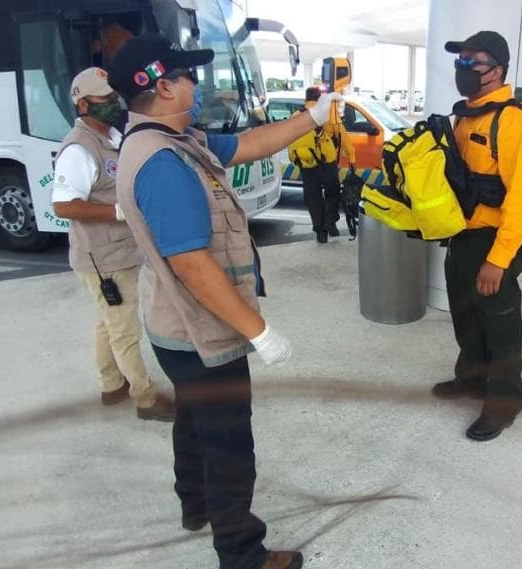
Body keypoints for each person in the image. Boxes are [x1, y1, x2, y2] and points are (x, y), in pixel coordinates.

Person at [107, 35, 339, 569]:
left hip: (175, 328)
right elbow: (191, 264)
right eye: (187, 75)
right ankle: (242, 554)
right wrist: (257, 330)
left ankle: (195, 504)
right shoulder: (164, 162)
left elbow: (249, 145)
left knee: (194, 418)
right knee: (229, 443)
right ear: (163, 86)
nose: (196, 82)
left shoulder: (170, 139)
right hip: (203, 331)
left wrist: (313, 116)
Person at [428, 31, 522, 442]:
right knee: (465, 314)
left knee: (500, 324)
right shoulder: (467, 114)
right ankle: (472, 379)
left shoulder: (514, 122)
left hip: (496, 238)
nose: (463, 69)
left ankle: (504, 402)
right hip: (463, 234)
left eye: (471, 62)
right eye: (460, 62)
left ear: (497, 69)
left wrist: (499, 259)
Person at [50, 67, 174, 422]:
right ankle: (145, 398)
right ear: (84, 104)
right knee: (124, 329)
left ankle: (111, 385)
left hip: (121, 251)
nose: (115, 102)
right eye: (105, 99)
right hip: (104, 258)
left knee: (107, 322)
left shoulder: (113, 136)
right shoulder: (79, 148)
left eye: (114, 96)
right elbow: (63, 205)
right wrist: (118, 210)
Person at [297, 86, 356, 243]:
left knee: (313, 197)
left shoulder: (297, 115)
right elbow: (342, 135)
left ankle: (320, 232)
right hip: (327, 161)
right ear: (319, 99)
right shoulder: (328, 114)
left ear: (306, 99)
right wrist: (351, 157)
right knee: (333, 192)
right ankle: (330, 219)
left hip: (306, 163)